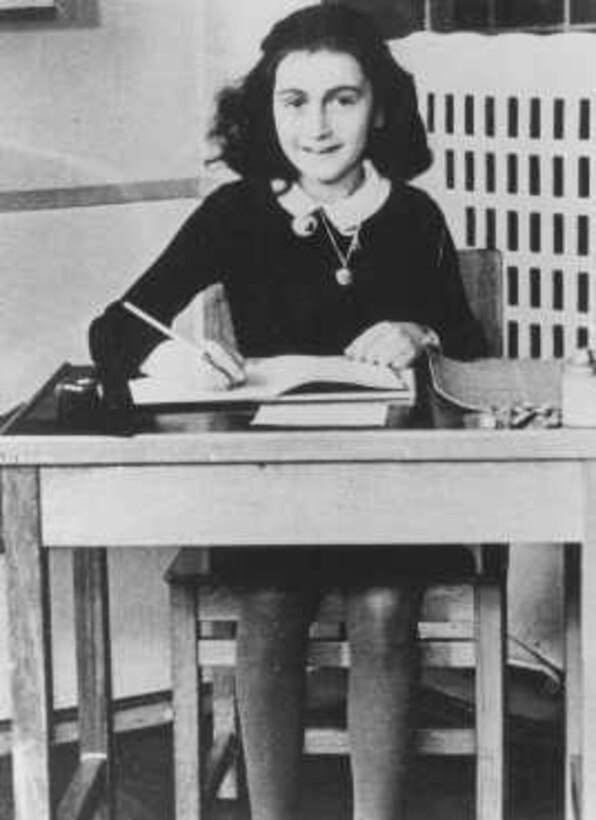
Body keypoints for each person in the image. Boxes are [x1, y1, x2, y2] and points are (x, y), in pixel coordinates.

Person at [89, 6, 487, 819]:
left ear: (380, 107)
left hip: (395, 490)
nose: (317, 124)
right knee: (269, 612)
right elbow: (115, 329)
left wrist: (421, 333)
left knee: (383, 612)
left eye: (342, 99)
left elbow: (474, 358)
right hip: (270, 486)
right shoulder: (236, 213)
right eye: (294, 100)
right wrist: (170, 353)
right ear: (267, 110)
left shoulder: (414, 217)